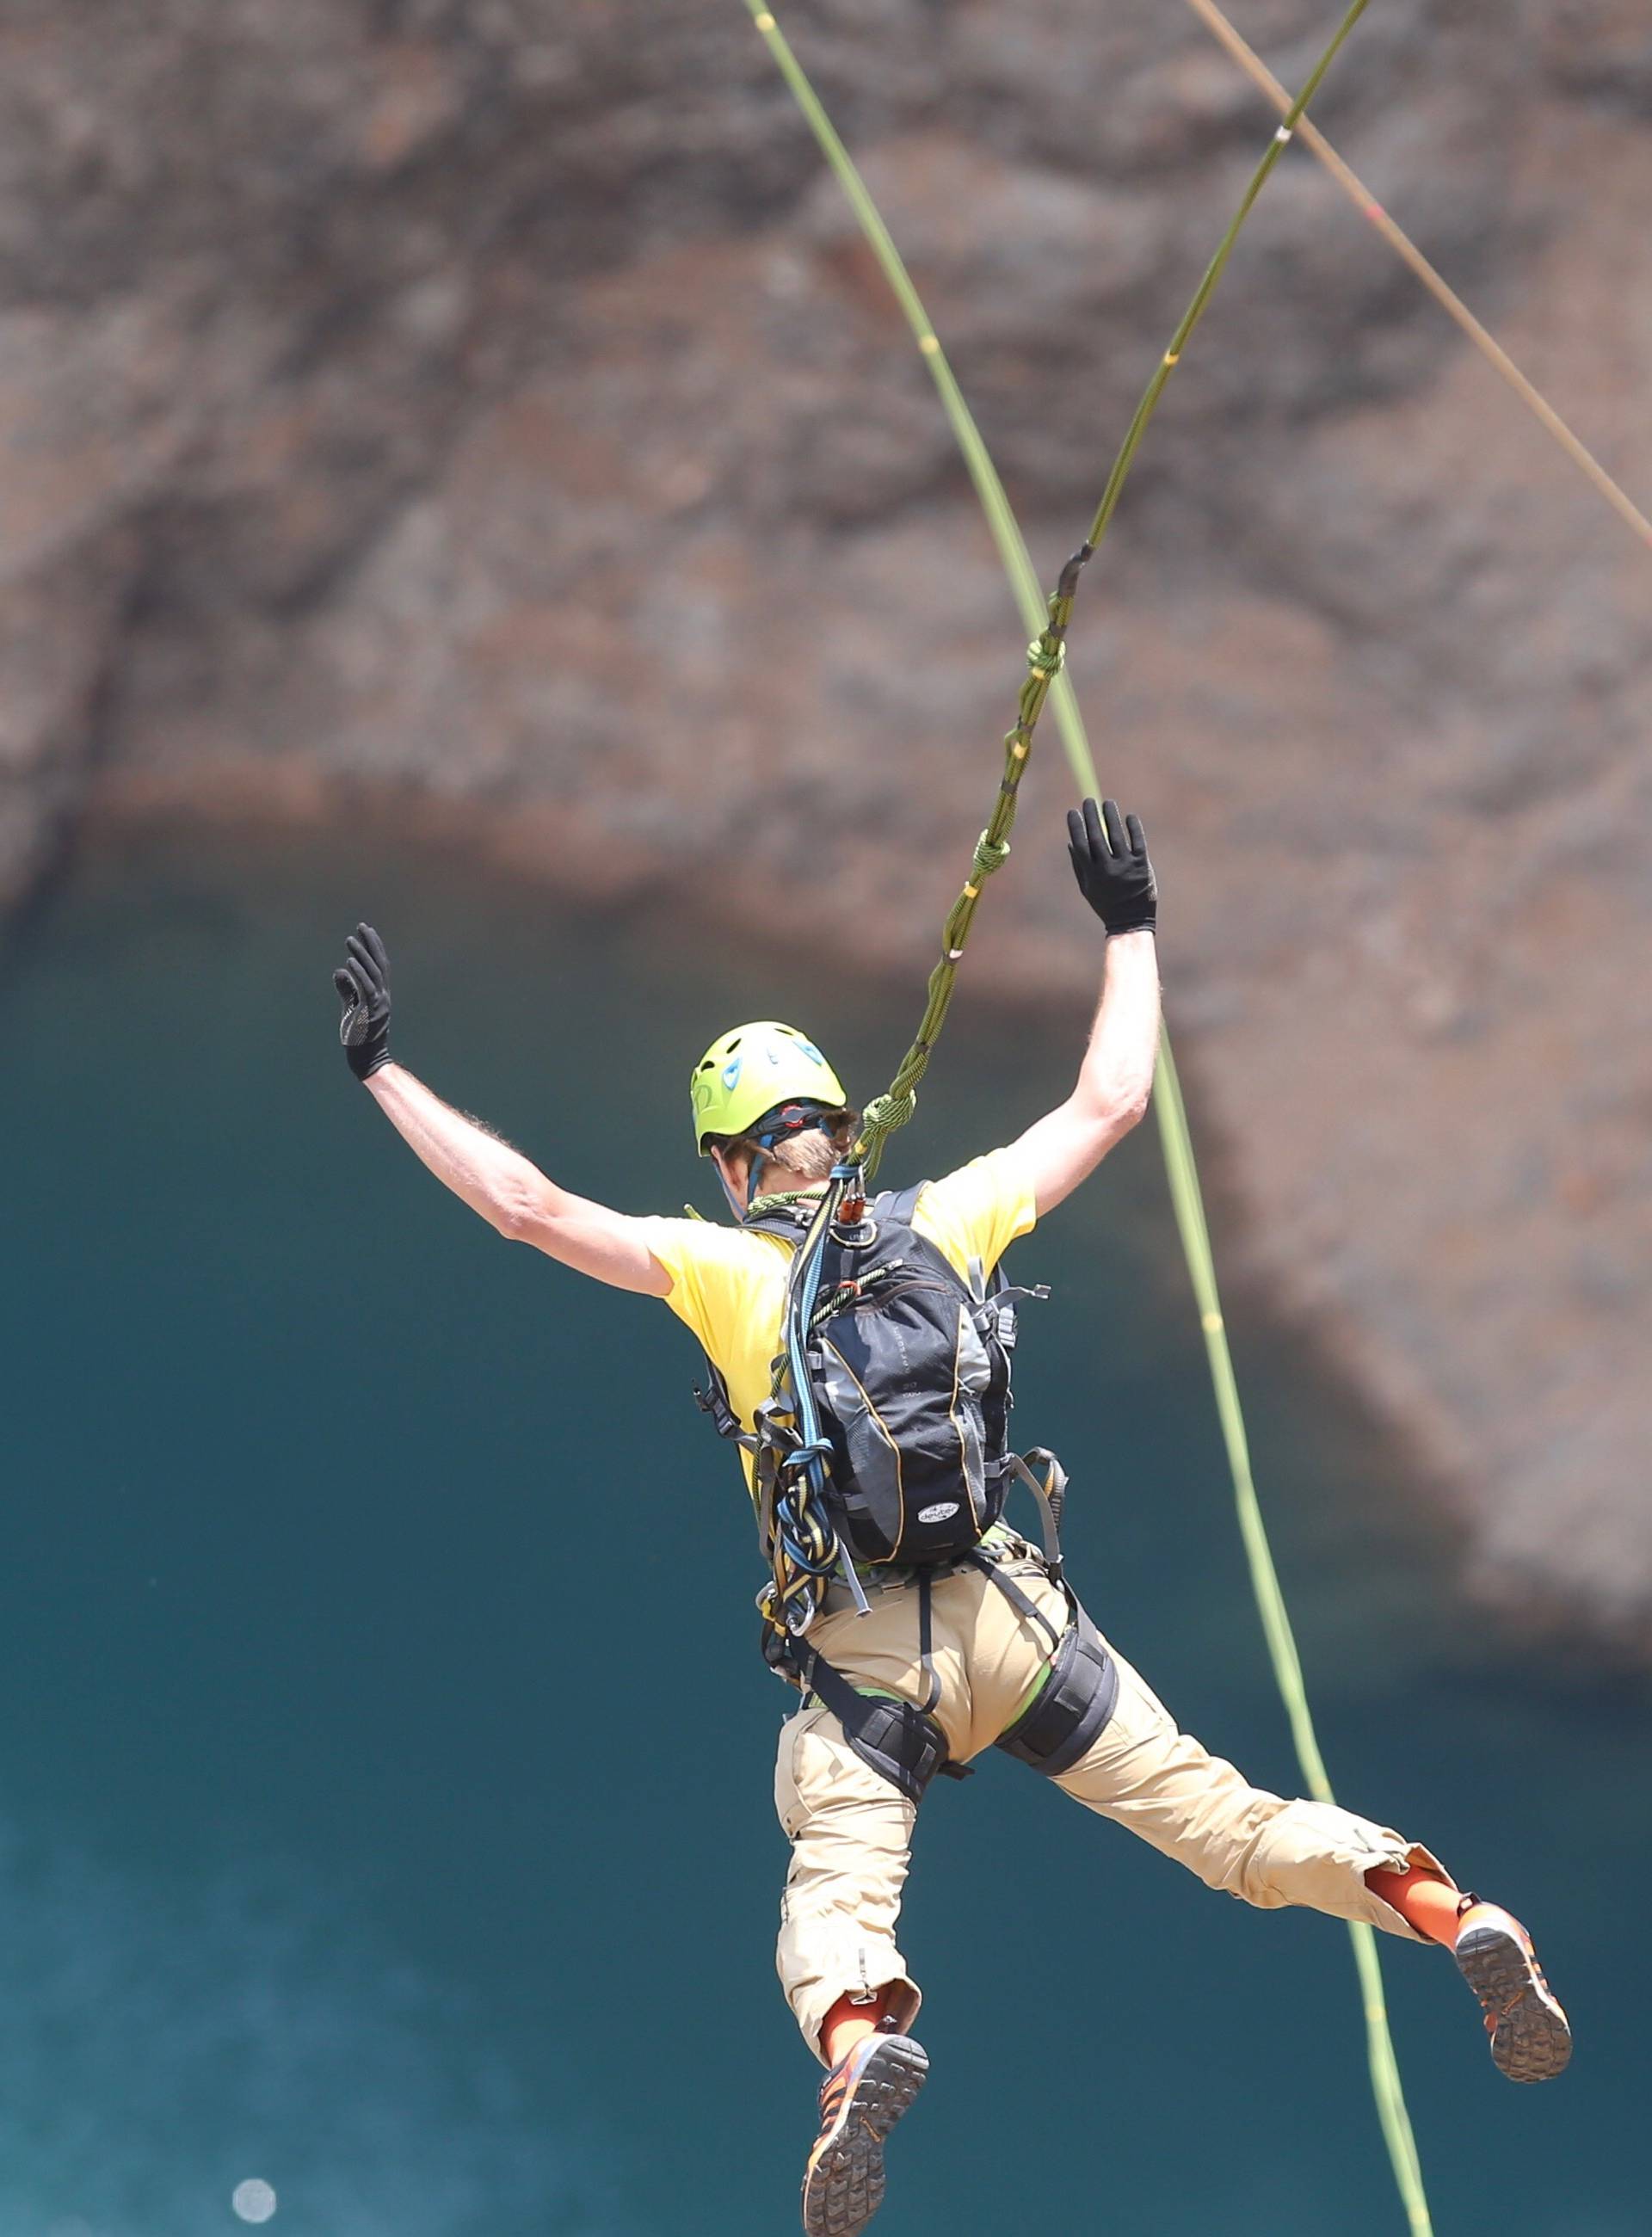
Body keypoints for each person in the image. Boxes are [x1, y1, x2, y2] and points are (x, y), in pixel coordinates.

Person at [332, 799, 1571, 2237]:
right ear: (841, 1133)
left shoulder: (727, 1277)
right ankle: (1448, 1913)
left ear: (732, 1167)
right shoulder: (953, 1218)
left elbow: (528, 1206)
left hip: (874, 1670)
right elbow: (1108, 1103)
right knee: (1230, 1826)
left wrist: (384, 1071)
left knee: (837, 1892)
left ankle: (860, 2050)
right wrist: (1130, 925)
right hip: (1023, 1628)